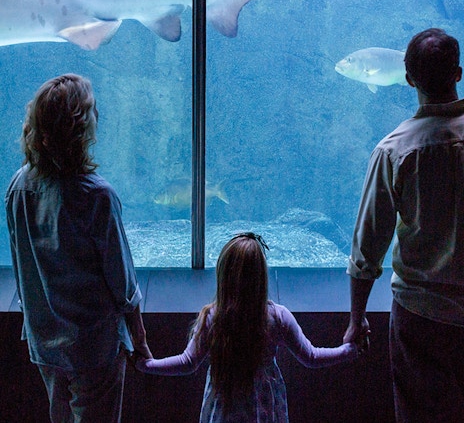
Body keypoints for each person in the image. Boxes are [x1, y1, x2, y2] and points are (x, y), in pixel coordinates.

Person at [6, 73, 152, 423]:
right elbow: (123, 284)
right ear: (80, 129)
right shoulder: (97, 196)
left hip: (44, 341)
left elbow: (20, 262)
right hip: (93, 346)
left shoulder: (18, 186)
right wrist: (141, 340)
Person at [343, 28, 464, 422]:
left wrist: (356, 317)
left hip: (421, 314)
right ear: (458, 73)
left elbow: (368, 245)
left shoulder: (395, 150)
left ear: (409, 79)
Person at [136, 231, 360, 422]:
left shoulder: (212, 318)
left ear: (223, 276)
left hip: (224, 408)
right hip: (263, 407)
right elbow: (311, 356)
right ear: (261, 276)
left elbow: (187, 362)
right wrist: (348, 351)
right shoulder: (278, 317)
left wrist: (148, 364)